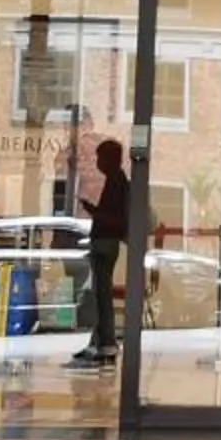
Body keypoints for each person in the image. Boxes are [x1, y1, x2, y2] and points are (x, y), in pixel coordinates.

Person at [71, 138, 130, 369]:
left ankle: (106, 342)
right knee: (99, 296)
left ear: (111, 159)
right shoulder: (116, 181)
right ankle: (99, 341)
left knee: (102, 296)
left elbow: (113, 218)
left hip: (105, 242)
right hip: (106, 242)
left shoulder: (116, 182)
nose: (98, 162)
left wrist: (93, 210)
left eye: (100, 158)